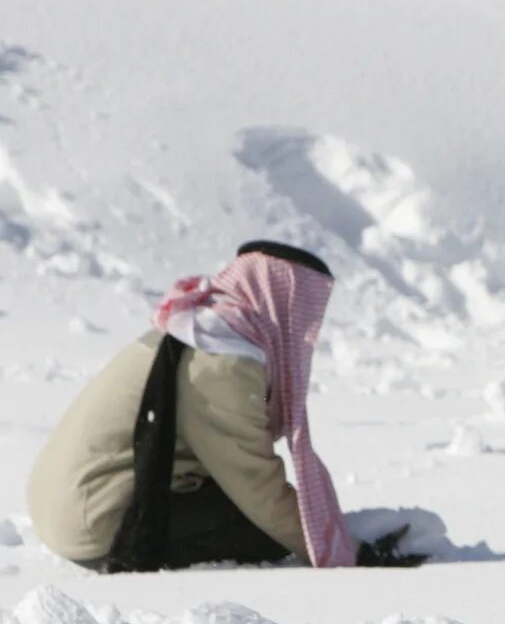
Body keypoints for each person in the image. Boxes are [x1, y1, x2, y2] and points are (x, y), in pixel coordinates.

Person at [27, 241, 420, 572]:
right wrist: (344, 554)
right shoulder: (224, 358)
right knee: (261, 531)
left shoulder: (201, 328)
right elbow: (255, 485)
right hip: (94, 521)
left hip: (73, 505)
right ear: (282, 298)